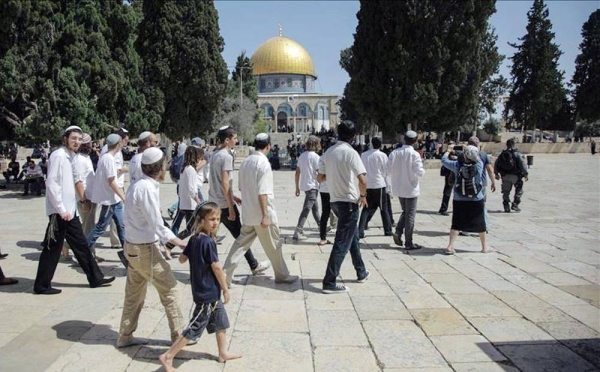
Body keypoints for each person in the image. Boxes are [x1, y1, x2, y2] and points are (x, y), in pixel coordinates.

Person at [118, 147, 188, 348]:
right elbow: (156, 223)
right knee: (171, 290)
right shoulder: (146, 188)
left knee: (134, 294)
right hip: (144, 249)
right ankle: (179, 336)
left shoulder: (137, 185)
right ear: (160, 167)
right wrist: (179, 241)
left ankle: (125, 335)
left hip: (133, 247)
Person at [159, 203, 242, 371]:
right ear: (201, 220)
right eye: (211, 219)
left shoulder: (195, 238)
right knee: (195, 327)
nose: (215, 222)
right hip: (207, 292)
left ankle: (222, 353)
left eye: (218, 219)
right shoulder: (208, 242)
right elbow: (217, 267)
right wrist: (225, 288)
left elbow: (182, 259)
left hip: (206, 291)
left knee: (220, 322)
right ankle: (168, 356)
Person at [33, 125, 115, 295]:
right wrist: (61, 209)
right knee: (52, 249)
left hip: (70, 212)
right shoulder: (58, 156)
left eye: (79, 139)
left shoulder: (71, 157)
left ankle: (95, 278)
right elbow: (52, 184)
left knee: (82, 245)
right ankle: (41, 285)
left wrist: (73, 208)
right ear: (65, 139)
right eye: (73, 138)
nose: (77, 141)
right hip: (60, 212)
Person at [223, 134, 298, 286]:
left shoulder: (246, 162)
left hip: (249, 213)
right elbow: (263, 192)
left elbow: (241, 187)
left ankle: (224, 275)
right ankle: (282, 275)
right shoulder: (263, 163)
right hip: (262, 214)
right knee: (274, 245)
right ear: (268, 146)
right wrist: (265, 215)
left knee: (240, 246)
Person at [208, 126, 270, 276]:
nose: (236, 141)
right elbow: (224, 182)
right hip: (223, 204)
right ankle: (253, 265)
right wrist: (230, 206)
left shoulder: (214, 155)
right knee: (241, 239)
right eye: (234, 138)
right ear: (227, 140)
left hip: (213, 202)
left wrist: (234, 196)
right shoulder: (227, 157)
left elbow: (218, 182)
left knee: (211, 239)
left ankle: (208, 269)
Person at [318, 121, 369, 294]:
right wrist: (363, 196)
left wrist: (334, 176)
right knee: (342, 242)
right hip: (348, 201)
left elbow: (320, 177)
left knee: (351, 236)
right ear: (353, 136)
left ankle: (361, 271)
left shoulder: (328, 152)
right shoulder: (350, 153)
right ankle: (329, 281)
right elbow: (362, 180)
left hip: (335, 201)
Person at [441, 145, 492, 254]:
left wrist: (449, 151)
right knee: (480, 222)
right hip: (476, 198)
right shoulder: (479, 164)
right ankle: (484, 247)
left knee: (456, 222)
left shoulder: (457, 166)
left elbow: (444, 160)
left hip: (459, 198)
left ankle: (450, 246)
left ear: (465, 155)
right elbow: (477, 158)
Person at [87, 133, 127, 267]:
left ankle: (127, 254)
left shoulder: (106, 157)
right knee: (101, 227)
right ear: (118, 144)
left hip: (114, 200)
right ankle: (83, 251)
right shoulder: (108, 159)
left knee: (121, 226)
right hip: (110, 199)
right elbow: (111, 181)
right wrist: (123, 196)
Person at [387, 130, 426, 250]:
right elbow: (419, 172)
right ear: (414, 141)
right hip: (411, 188)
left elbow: (388, 169)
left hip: (399, 188)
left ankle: (398, 232)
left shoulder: (394, 153)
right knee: (410, 215)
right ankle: (409, 242)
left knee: (405, 211)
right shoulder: (414, 154)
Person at [64, 133, 98, 261]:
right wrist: (84, 200)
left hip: (91, 196)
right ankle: (86, 256)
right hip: (85, 198)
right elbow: (78, 181)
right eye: (89, 143)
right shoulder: (78, 160)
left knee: (88, 226)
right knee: (87, 228)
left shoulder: (85, 158)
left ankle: (88, 252)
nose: (91, 146)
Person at [358, 137, 392, 238]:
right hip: (379, 184)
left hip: (368, 184)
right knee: (384, 208)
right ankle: (388, 230)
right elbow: (386, 170)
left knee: (366, 208)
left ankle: (360, 230)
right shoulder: (382, 155)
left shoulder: (364, 155)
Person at [100, 128, 129, 249]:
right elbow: (110, 171)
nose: (127, 142)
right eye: (126, 140)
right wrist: (124, 169)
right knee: (103, 223)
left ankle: (119, 242)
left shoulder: (118, 150)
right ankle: (116, 241)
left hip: (118, 185)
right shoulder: (110, 152)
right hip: (114, 187)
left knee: (117, 219)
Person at [293, 136, 321, 241]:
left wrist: (297, 187)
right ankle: (298, 231)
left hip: (305, 186)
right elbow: (319, 172)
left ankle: (321, 226)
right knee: (306, 209)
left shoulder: (302, 156)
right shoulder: (316, 157)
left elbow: (297, 173)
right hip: (313, 186)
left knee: (315, 208)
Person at [171, 146, 205, 235]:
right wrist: (199, 202)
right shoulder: (191, 170)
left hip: (186, 203)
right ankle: (170, 244)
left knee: (191, 229)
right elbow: (192, 189)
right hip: (190, 205)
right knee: (191, 229)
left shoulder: (184, 168)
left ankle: (192, 247)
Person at [494, 139, 528, 213]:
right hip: (516, 176)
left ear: (506, 145)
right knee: (519, 190)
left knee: (505, 192)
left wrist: (496, 173)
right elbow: (522, 164)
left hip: (505, 176)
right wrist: (525, 174)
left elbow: (496, 164)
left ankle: (506, 206)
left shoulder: (502, 154)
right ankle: (515, 204)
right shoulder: (516, 154)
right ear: (513, 145)